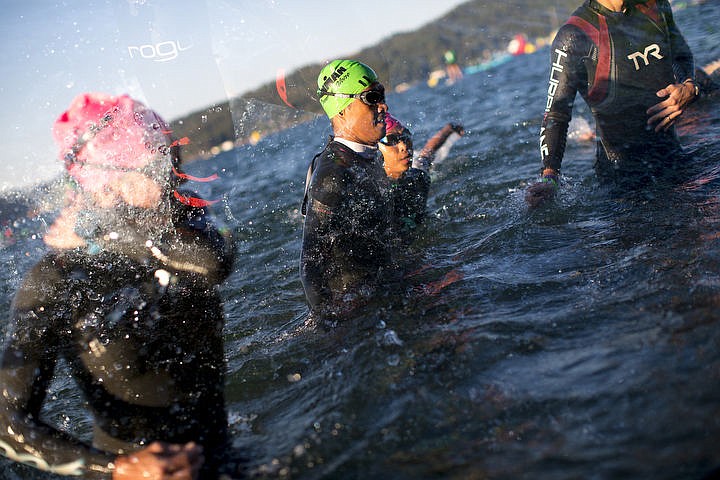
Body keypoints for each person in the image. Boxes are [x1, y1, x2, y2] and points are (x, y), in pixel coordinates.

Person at [0, 93, 237, 479]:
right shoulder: (57, 279)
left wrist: (102, 234)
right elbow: (6, 424)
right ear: (104, 184)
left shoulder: (186, 220)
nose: (173, 174)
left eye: (171, 158)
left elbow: (215, 262)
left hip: (224, 457)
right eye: (156, 165)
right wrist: (117, 469)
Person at [526, 0, 700, 207]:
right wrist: (549, 176)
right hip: (624, 187)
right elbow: (556, 114)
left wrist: (689, 85)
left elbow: (680, 55)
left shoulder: (655, 5)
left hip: (675, 159)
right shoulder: (575, 35)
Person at [300, 60, 428, 320]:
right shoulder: (332, 176)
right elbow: (310, 263)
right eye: (372, 97)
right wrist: (330, 322)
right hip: (360, 309)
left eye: (381, 95)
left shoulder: (368, 159)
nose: (384, 105)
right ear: (342, 110)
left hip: (388, 286)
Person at [378, 114, 465, 231]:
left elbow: (427, 154)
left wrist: (448, 130)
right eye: (391, 140)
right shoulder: (373, 191)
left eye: (405, 136)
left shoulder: (418, 177)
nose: (404, 145)